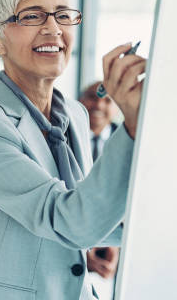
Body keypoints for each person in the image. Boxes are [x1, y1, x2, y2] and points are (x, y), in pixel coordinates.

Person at [0, 0, 146, 299]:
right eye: (32, 17)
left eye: (63, 15)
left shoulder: (75, 113)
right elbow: (70, 221)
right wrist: (132, 126)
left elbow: (88, 210)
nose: (53, 29)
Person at [80, 81, 121, 298]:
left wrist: (115, 244)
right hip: (71, 242)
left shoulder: (129, 143)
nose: (98, 104)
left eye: (106, 99)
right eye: (91, 96)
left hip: (115, 249)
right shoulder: (61, 139)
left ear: (115, 107)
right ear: (79, 101)